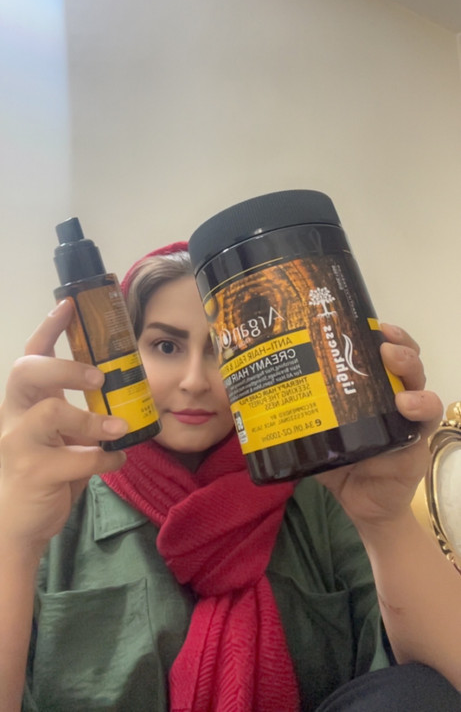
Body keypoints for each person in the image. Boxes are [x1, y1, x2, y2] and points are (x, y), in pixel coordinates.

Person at [0, 241, 460, 712]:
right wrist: (15, 543)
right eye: (165, 346)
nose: (195, 380)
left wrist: (385, 521)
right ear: (127, 355)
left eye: (224, 350)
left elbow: (438, 688)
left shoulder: (320, 490)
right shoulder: (59, 504)